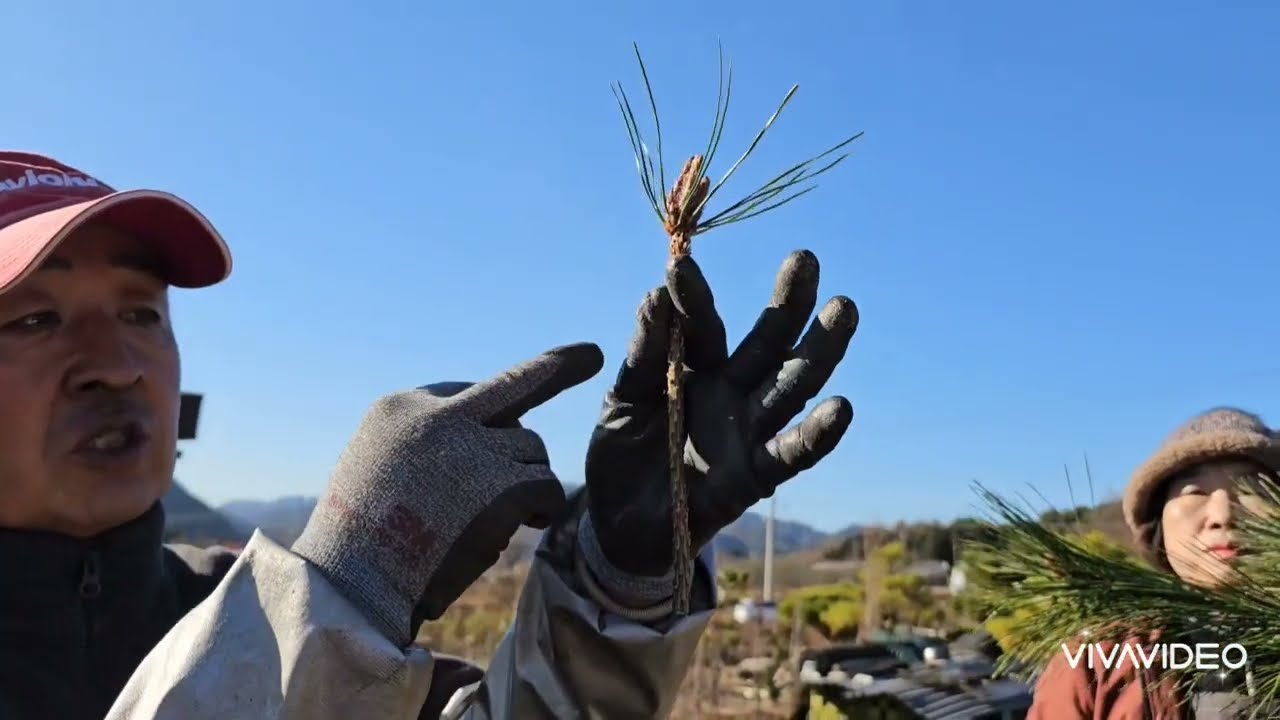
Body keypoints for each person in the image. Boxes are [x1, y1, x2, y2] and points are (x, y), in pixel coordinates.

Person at [0, 151, 861, 719]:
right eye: (36, 318)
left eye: (141, 311)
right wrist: (336, 595)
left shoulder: (280, 630)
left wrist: (619, 585)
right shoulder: (320, 628)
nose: (115, 363)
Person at [1028, 407, 1280, 719]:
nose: (1222, 515)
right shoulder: (1095, 660)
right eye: (1194, 492)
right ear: (1158, 526)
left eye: (1250, 489)